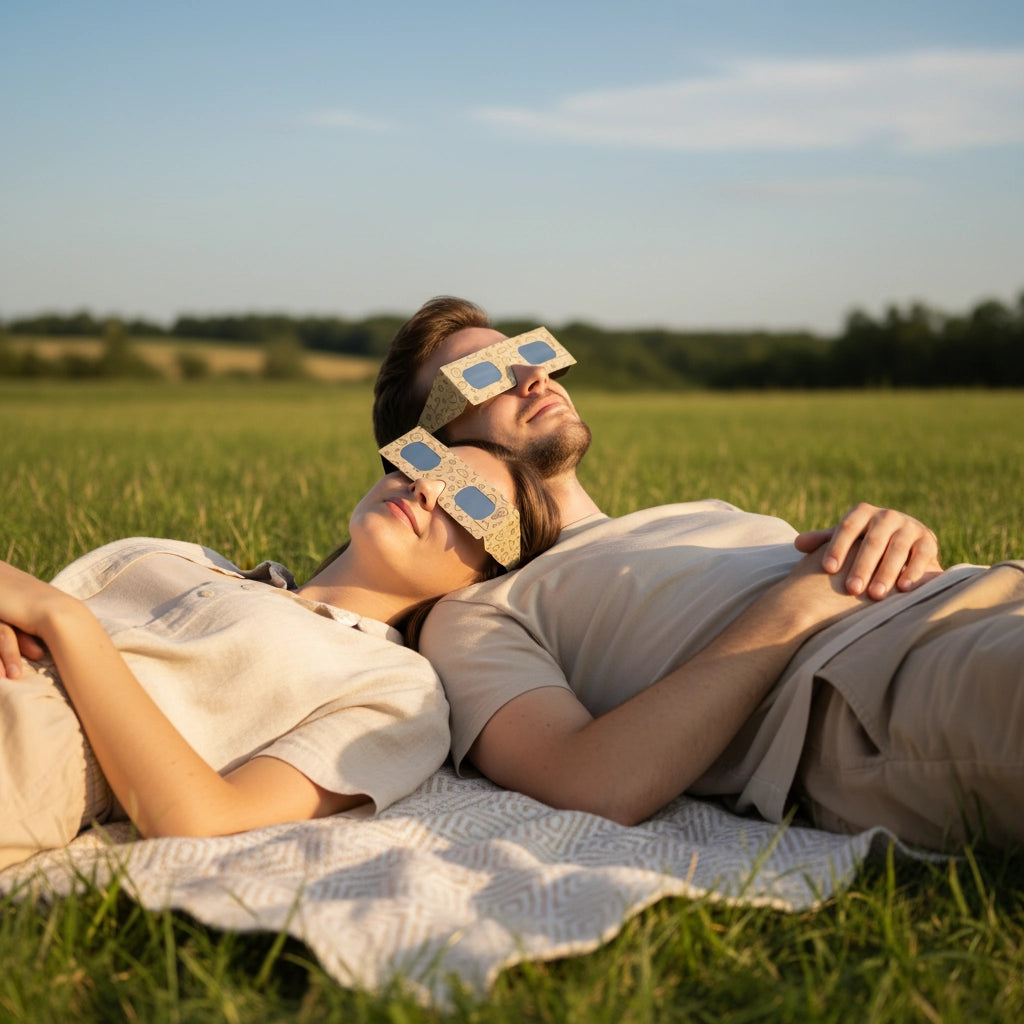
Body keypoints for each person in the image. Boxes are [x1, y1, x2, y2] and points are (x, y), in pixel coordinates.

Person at [371, 295, 1024, 852]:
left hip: (981, 591)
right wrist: (796, 607)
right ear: (430, 458)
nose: (534, 381)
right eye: (483, 379)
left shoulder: (691, 514)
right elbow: (589, 784)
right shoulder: (480, 610)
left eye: (531, 360)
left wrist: (901, 547)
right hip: (882, 685)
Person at [0, 431, 561, 871]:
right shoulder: (186, 557)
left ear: (488, 575)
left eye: (470, 502)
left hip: (29, 751)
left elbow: (207, 817)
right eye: (425, 461)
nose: (428, 489)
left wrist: (66, 624)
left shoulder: (397, 688)